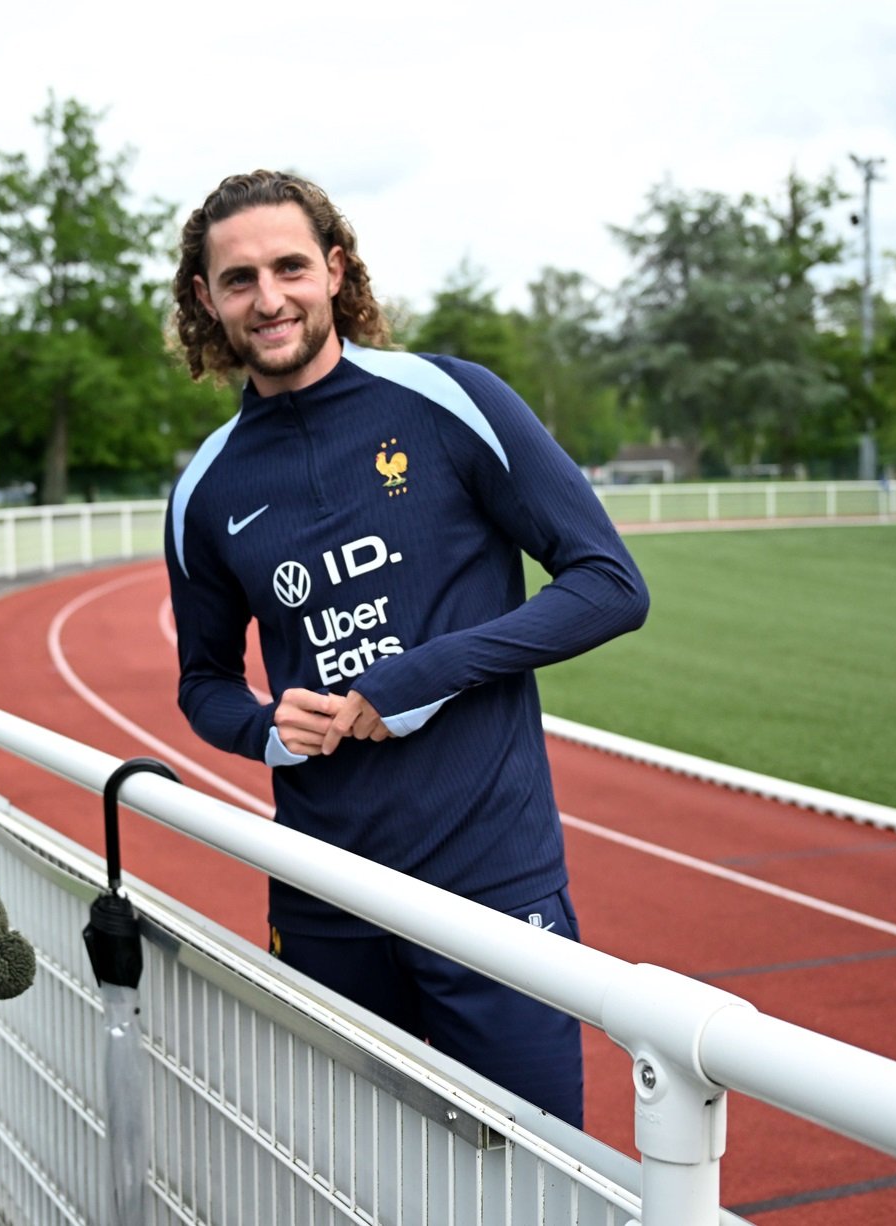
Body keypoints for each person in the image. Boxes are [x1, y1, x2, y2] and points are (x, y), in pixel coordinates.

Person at [162, 171, 649, 1128]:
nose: (269, 298)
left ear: (335, 269)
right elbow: (204, 684)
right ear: (205, 302)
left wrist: (422, 674)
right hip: (325, 896)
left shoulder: (450, 399)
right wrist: (265, 729)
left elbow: (610, 585)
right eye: (239, 278)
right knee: (349, 1180)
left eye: (291, 266)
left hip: (492, 886)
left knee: (531, 1180)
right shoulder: (206, 491)